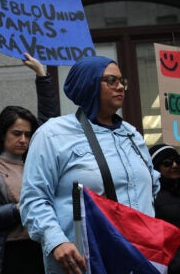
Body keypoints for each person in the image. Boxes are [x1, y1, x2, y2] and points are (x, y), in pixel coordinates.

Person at [20, 56, 160, 274]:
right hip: (87, 264)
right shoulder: (53, 134)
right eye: (111, 80)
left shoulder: (133, 135)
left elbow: (153, 187)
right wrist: (56, 241)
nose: (120, 86)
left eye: (122, 81)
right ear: (89, 84)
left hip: (141, 263)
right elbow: (34, 198)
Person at [0, 53, 60, 274]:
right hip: (7, 255)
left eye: (28, 135)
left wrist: (42, 75)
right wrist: (18, 209)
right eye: (16, 133)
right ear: (2, 133)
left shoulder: (36, 162)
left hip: (43, 249)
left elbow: (50, 125)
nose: (23, 140)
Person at [149, 143, 180, 273]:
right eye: (167, 163)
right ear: (156, 168)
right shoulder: (152, 195)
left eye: (177, 161)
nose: (174, 165)